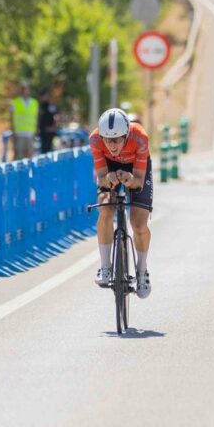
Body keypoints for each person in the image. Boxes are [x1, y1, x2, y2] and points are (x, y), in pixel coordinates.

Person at [89, 108, 153, 299]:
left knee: (138, 223)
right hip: (110, 166)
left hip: (135, 167)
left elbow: (139, 180)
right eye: (107, 139)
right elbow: (101, 177)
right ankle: (106, 267)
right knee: (105, 208)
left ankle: (142, 272)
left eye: (116, 139)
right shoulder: (94, 140)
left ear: (126, 135)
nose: (111, 144)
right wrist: (108, 178)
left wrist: (129, 179)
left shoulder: (140, 137)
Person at [9, 82, 38, 160]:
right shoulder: (15, 102)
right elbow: (11, 119)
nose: (24, 91)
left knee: (30, 156)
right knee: (18, 156)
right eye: (23, 89)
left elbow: (35, 118)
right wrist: (13, 132)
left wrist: (35, 132)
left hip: (30, 133)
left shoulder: (34, 103)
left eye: (26, 89)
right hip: (19, 134)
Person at [37, 90, 59, 154]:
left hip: (50, 132)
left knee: (49, 151)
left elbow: (57, 117)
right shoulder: (41, 106)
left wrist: (53, 127)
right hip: (42, 132)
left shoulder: (50, 106)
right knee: (43, 151)